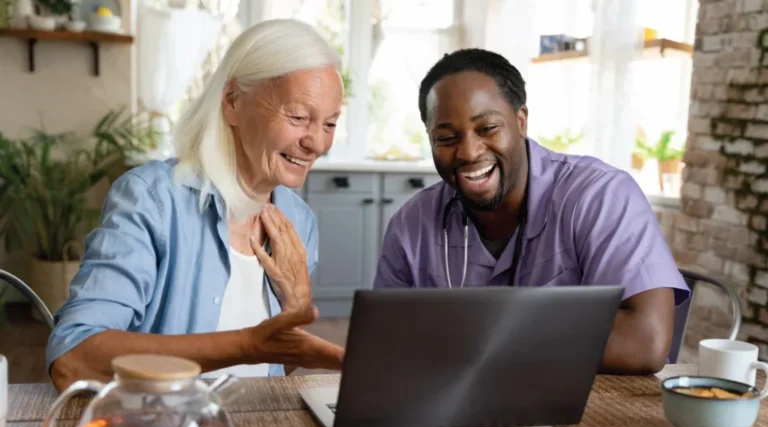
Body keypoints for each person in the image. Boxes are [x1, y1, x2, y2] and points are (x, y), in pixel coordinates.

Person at [47, 19, 345, 392]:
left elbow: (275, 369)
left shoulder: (299, 221)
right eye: (299, 117)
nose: (317, 143)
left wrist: (295, 308)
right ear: (233, 102)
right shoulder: (152, 199)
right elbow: (73, 362)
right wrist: (246, 344)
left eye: (330, 123)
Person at [374, 48, 690, 375]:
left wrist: (474, 335)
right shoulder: (410, 226)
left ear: (520, 121)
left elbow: (644, 343)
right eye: (447, 138)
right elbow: (384, 343)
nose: (468, 152)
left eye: (487, 129)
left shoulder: (601, 196)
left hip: (590, 412)